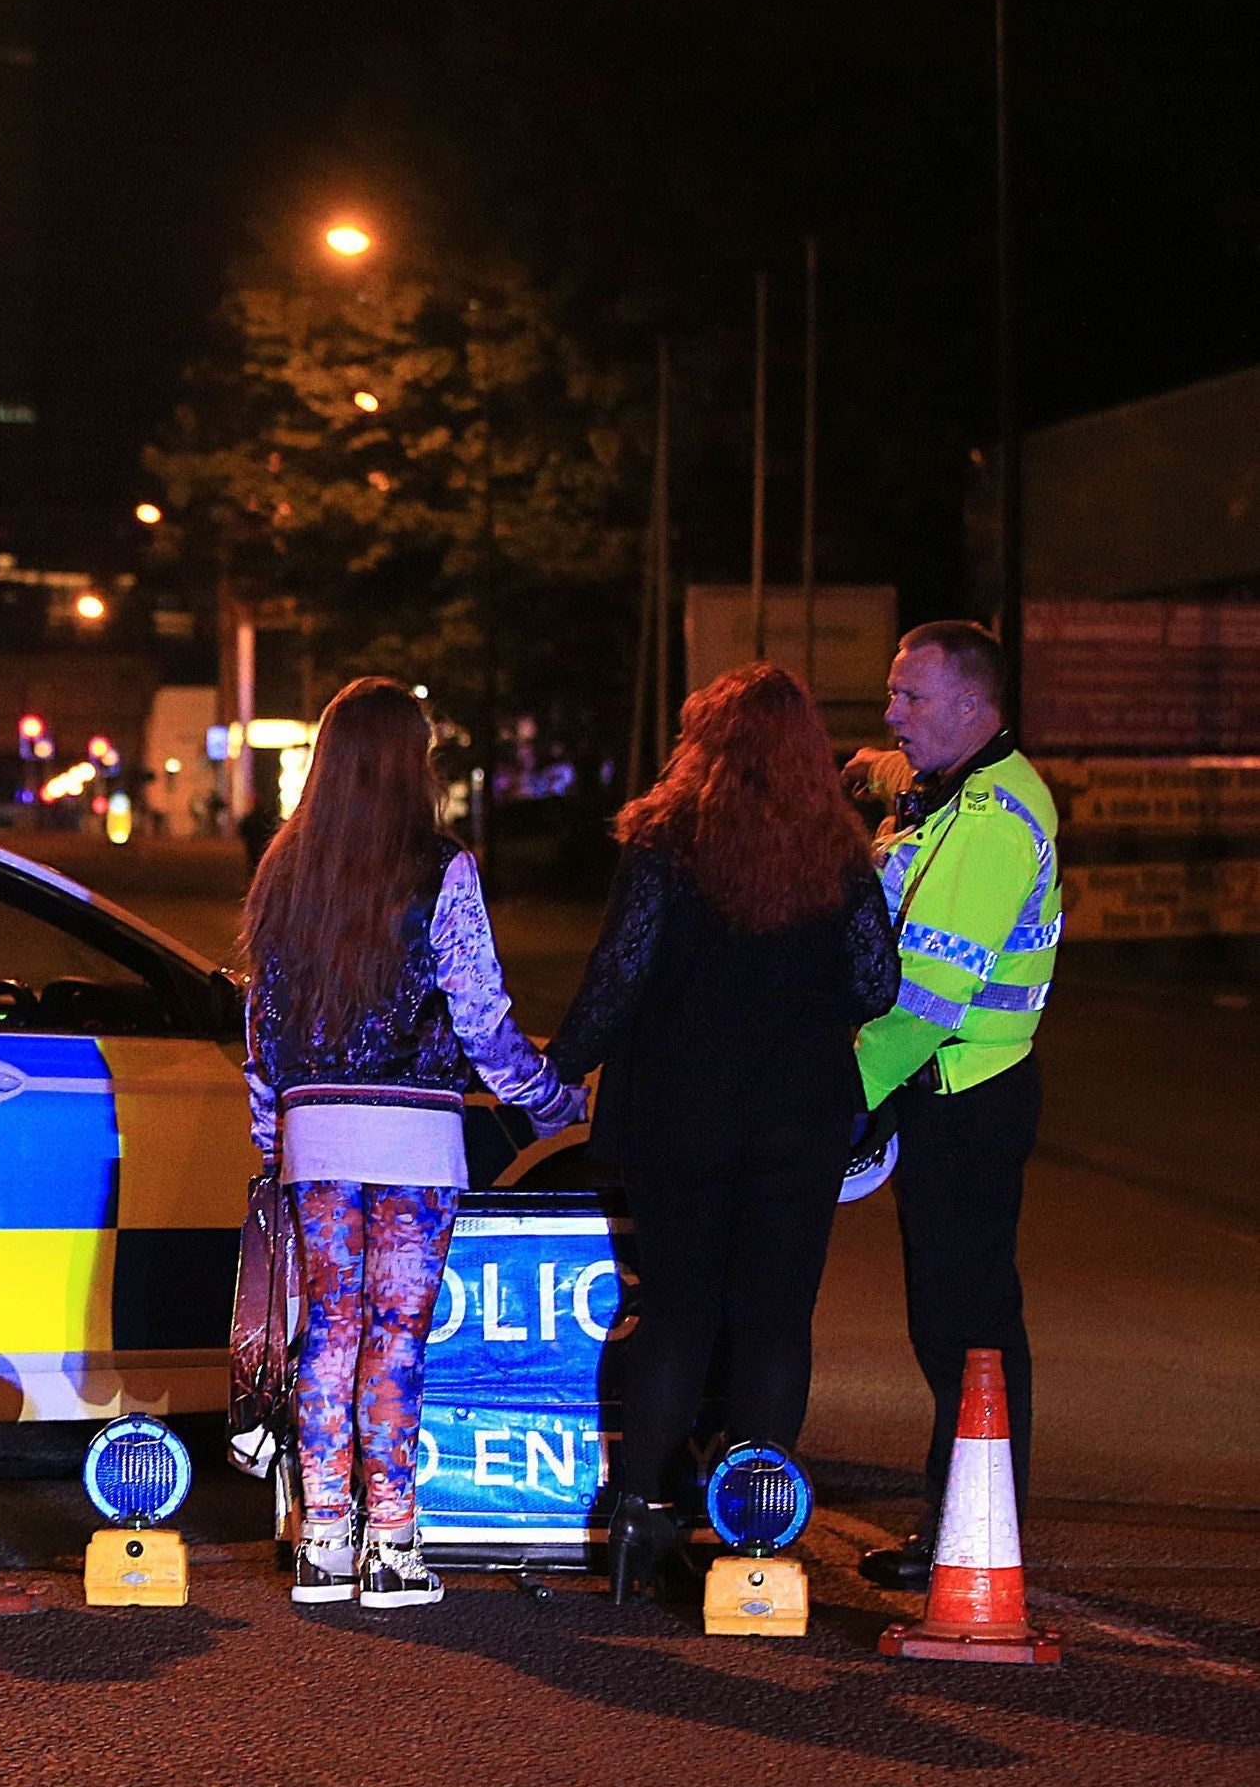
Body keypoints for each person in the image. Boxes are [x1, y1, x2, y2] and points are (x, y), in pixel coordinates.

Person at [547, 664, 898, 1598]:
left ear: (702, 745)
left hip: (679, 1118)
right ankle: (755, 1531)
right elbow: (877, 986)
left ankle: (637, 1524)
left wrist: (555, 1063)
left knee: (675, 1318)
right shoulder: (839, 851)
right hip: (797, 1122)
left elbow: (618, 978)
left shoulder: (665, 844)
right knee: (776, 1323)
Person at [236, 677, 582, 1614]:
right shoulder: (444, 869)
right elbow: (481, 1015)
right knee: (395, 1336)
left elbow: (262, 1031)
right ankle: (392, 1545)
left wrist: (275, 1140)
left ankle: (322, 1541)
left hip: (316, 1131)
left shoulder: (286, 870)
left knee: (329, 1329)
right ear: (411, 761)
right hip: (419, 1135)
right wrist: (551, 1098)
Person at [850, 620, 1060, 1592]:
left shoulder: (983, 820)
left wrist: (836, 1098)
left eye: (909, 699)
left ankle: (968, 1538)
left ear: (973, 707)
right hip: (962, 1092)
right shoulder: (958, 794)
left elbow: (927, 997)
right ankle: (966, 1529)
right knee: (958, 1321)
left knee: (963, 1327)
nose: (890, 714)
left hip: (959, 1096)